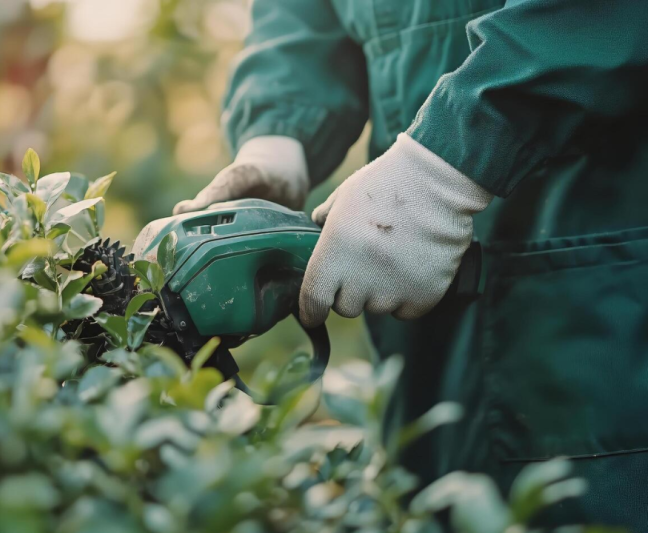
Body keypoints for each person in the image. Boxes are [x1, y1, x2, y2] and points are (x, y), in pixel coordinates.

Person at [174, 0, 648, 528]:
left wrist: (445, 163)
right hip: (422, 344)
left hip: (598, 299)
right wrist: (278, 136)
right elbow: (303, 16)